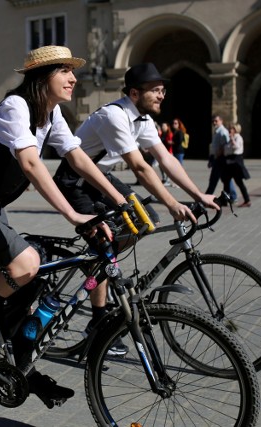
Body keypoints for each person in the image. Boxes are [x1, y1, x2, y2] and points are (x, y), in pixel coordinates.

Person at [0, 45, 128, 408]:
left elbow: (77, 156)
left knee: (28, 282)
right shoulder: (15, 107)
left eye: (73, 71)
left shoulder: (50, 115)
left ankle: (21, 366)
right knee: (26, 263)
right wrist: (74, 215)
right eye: (64, 71)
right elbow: (31, 164)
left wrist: (119, 199)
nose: (72, 78)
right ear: (42, 77)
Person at [53, 62, 219, 354]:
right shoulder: (114, 116)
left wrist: (198, 193)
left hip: (100, 177)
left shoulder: (142, 120)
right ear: (134, 92)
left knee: (146, 220)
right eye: (156, 90)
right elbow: (140, 168)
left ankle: (103, 264)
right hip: (74, 180)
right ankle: (98, 319)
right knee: (105, 244)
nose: (162, 95)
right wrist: (172, 203)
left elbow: (165, 160)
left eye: (163, 90)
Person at [205, 115, 237, 201]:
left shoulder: (223, 132)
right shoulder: (217, 131)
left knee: (214, 178)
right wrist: (211, 158)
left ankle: (207, 195)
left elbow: (224, 145)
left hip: (220, 159)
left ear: (221, 121)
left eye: (216, 121)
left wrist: (217, 156)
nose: (214, 123)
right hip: (216, 158)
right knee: (225, 178)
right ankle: (233, 196)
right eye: (213, 121)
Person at [222, 123, 251, 207]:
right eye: (229, 128)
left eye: (232, 129)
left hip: (235, 163)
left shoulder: (238, 137)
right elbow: (226, 150)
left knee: (239, 182)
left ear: (235, 129)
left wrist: (232, 140)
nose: (229, 130)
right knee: (226, 182)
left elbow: (236, 147)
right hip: (229, 163)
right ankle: (225, 200)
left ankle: (247, 200)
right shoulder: (231, 138)